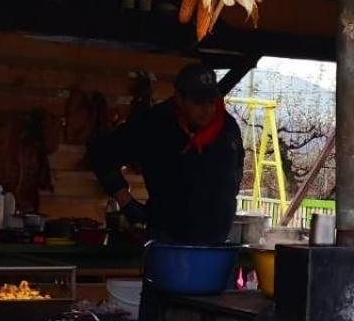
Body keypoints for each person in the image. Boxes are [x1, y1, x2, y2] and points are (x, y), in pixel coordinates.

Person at [89, 63, 243, 244]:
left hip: (215, 239)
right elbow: (101, 154)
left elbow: (237, 167)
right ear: (179, 98)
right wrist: (127, 203)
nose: (207, 110)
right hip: (167, 240)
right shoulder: (154, 125)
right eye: (198, 102)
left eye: (211, 102)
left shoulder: (228, 128)